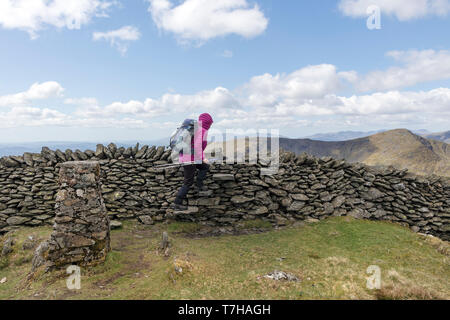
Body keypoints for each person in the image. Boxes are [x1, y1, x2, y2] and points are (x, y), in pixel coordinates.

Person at [172, 113, 214, 211]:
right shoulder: (201, 130)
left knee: (204, 167)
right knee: (188, 182)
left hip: (188, 158)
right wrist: (203, 158)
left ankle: (199, 185)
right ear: (207, 123)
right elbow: (197, 146)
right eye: (210, 124)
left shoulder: (195, 129)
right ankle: (177, 203)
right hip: (190, 160)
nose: (210, 126)